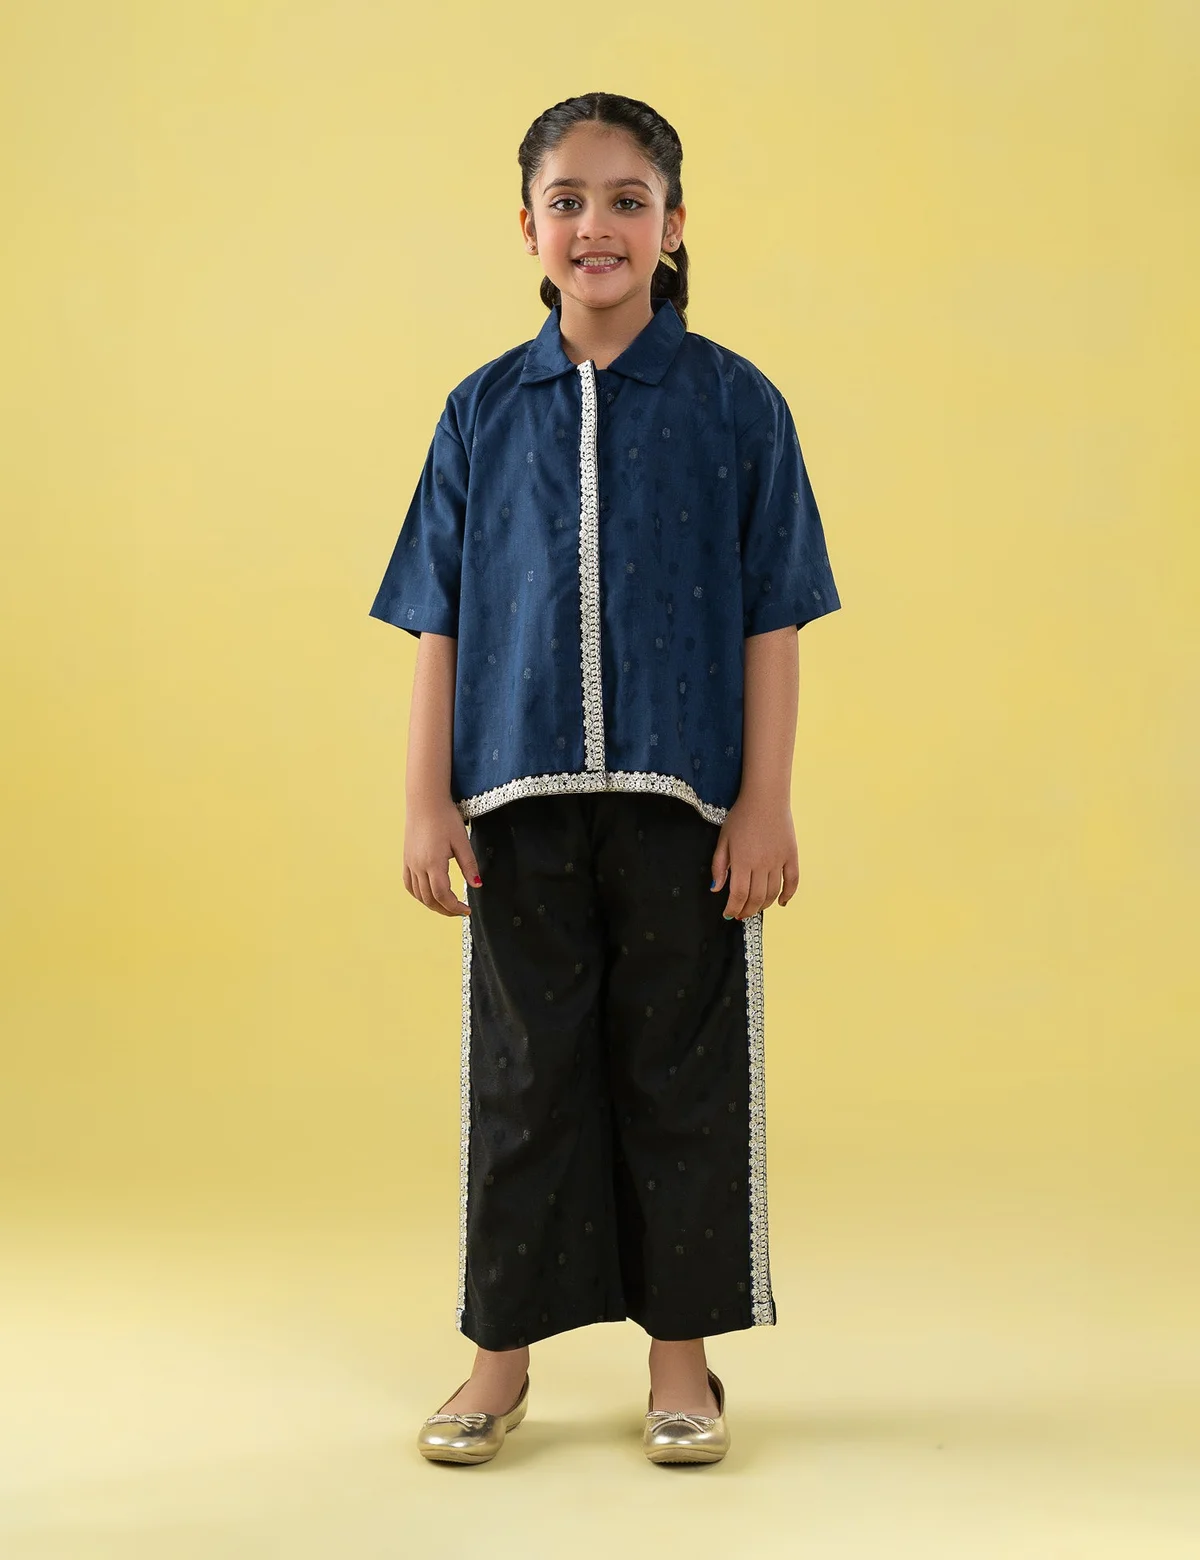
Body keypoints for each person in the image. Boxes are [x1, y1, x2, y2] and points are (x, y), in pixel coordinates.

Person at [368, 91, 841, 1466]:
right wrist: (425, 799)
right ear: (527, 228)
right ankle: (497, 1361)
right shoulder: (479, 411)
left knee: (678, 1077)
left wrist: (766, 800)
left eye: (628, 200)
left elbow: (775, 613)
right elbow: (438, 617)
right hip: (513, 804)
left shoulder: (737, 404)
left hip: (686, 807)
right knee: (526, 1084)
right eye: (566, 200)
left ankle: (681, 1365)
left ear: (673, 225)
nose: (597, 226)